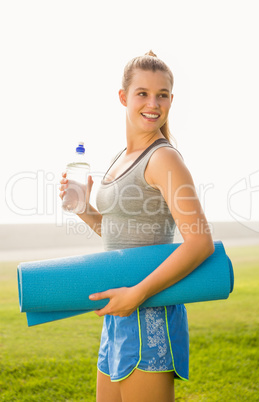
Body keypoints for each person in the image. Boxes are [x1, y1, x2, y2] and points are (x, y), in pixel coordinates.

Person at [59, 51, 215, 402]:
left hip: (149, 313)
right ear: (123, 97)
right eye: (142, 93)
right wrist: (84, 209)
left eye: (162, 95)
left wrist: (137, 294)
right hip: (120, 313)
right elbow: (122, 235)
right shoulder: (121, 157)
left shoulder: (164, 157)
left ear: (171, 100)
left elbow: (200, 243)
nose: (153, 103)